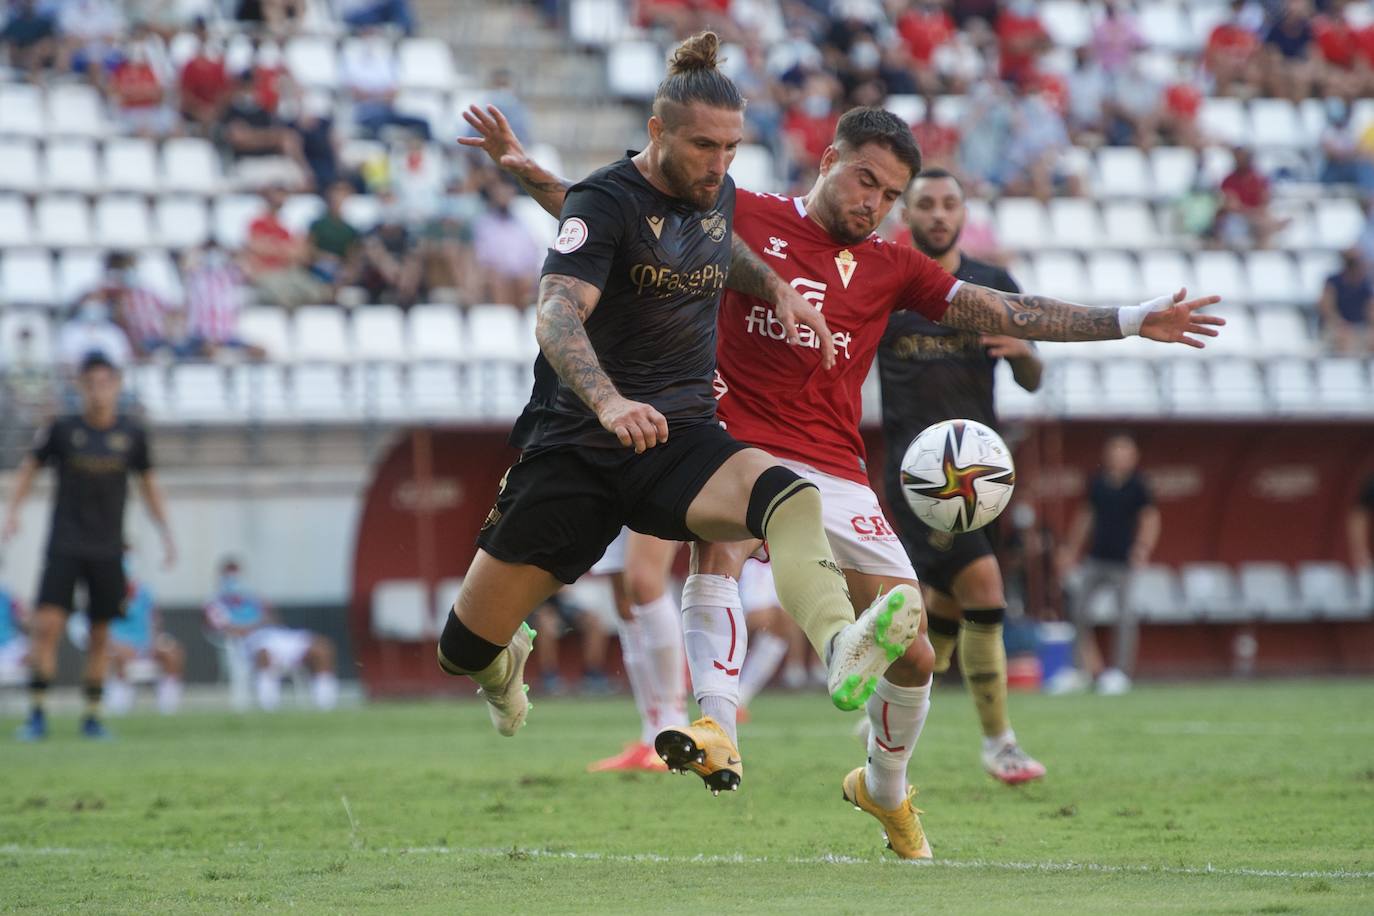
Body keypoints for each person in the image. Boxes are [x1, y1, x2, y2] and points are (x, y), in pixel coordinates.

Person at [467, 82, 1220, 861]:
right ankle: (715, 724)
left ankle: (883, 789)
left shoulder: (894, 267)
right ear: (828, 161)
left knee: (919, 654)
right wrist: (525, 171)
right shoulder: (741, 210)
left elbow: (1006, 313)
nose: (876, 205)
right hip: (727, 442)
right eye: (866, 182)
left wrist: (1131, 321)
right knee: (718, 547)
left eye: (890, 195)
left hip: (834, 464)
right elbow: (615, 222)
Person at [440, 37, 930, 805]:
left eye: (732, 148)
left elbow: (720, 250)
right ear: (658, 131)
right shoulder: (607, 200)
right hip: (577, 449)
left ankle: (842, 644)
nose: (720, 163)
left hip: (680, 436)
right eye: (705, 145)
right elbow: (556, 314)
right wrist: (608, 400)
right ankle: (503, 665)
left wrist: (779, 290)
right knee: (462, 645)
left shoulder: (717, 191)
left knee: (787, 497)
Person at [876, 167, 1046, 785]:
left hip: (985, 474)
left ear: (964, 213)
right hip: (920, 477)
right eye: (927, 204)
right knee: (984, 587)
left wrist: (1025, 353)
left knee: (943, 608)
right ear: (906, 215)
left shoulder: (994, 285)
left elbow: (1033, 378)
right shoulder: (886, 283)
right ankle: (999, 741)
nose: (940, 215)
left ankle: (888, 718)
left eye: (950, 204)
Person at [3, 353, 176, 740]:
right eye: (91, 383)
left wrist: (165, 531)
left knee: (101, 635)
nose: (99, 391)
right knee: (47, 626)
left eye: (106, 382)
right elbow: (30, 466)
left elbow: (148, 484)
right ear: (80, 387)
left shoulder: (132, 435)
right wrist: (12, 513)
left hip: (109, 550)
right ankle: (37, 715)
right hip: (64, 545)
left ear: (117, 385)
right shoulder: (63, 430)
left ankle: (92, 716)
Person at [1053, 433, 1160, 696]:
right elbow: (1085, 517)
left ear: (1134, 456)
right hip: (1095, 558)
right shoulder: (1097, 483)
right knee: (1078, 610)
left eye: (1125, 451)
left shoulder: (1139, 485)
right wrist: (1071, 550)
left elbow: (1150, 519)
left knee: (1123, 617)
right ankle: (1080, 671)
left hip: (1122, 562)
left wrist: (1142, 547)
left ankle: (1120, 673)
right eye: (1115, 451)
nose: (1119, 456)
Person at [586, 530, 687, 773]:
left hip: (651, 490)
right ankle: (651, 735)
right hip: (612, 492)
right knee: (624, 603)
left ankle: (675, 730)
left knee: (645, 583)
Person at [203, 558, 339, 712]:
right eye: (229, 574)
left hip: (275, 635)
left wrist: (262, 619)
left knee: (322, 648)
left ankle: (325, 704)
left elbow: (273, 619)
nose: (233, 580)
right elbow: (226, 629)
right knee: (265, 653)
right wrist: (255, 625)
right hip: (247, 643)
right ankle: (269, 705)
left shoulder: (253, 598)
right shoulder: (215, 603)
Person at [105, 555, 184, 716]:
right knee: (121, 655)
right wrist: (115, 644)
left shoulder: (145, 592)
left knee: (173, 653)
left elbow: (154, 620)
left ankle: (168, 705)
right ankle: (120, 704)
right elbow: (101, 628)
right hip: (118, 645)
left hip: (144, 642)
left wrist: (153, 642)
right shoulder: (107, 593)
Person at [528, 591, 612, 696]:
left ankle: (593, 674)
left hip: (564, 604)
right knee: (545, 623)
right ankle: (549, 676)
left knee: (594, 621)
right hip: (536, 606)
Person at [1318, 248, 1374, 355]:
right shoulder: (1333, 282)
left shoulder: (1365, 285)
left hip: (1359, 327)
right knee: (1344, 340)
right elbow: (1326, 308)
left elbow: (1370, 309)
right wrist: (1340, 324)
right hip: (1335, 327)